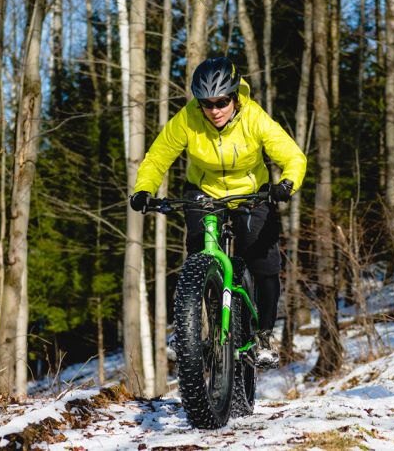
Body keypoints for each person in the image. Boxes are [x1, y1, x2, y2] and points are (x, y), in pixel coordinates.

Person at [129, 56, 306, 369]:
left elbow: (293, 155)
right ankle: (186, 329)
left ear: (235, 96)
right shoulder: (188, 119)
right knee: (197, 255)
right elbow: (157, 158)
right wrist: (144, 189)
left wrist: (286, 185)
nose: (214, 111)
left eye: (222, 102)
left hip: (251, 193)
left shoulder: (255, 117)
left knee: (263, 263)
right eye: (206, 104)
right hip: (204, 191)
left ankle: (264, 335)